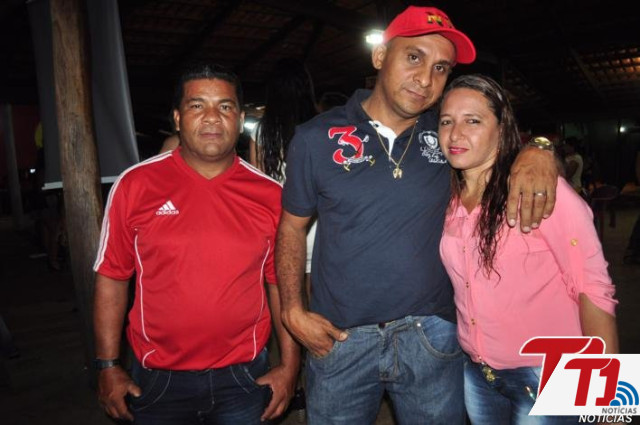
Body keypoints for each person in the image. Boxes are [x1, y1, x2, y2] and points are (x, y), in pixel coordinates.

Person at [276, 6, 558, 424]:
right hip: (340, 339)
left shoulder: (447, 136)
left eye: (441, 68)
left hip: (432, 336)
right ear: (379, 56)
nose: (426, 79)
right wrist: (292, 310)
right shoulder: (315, 138)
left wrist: (540, 148)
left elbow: (499, 139)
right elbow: (291, 228)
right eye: (414, 57)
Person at [93, 64, 300, 424]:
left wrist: (290, 366)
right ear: (177, 118)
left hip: (244, 377)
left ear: (240, 119)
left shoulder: (270, 195)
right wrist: (108, 365)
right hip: (157, 380)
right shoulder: (135, 185)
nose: (212, 117)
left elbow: (282, 286)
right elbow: (112, 277)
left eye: (225, 106)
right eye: (197, 105)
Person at [438, 74, 618, 424]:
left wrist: (608, 397)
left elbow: (594, 288)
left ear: (502, 128)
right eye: (447, 121)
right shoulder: (448, 201)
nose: (455, 134)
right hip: (479, 373)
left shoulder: (541, 193)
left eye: (472, 121)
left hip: (552, 371)